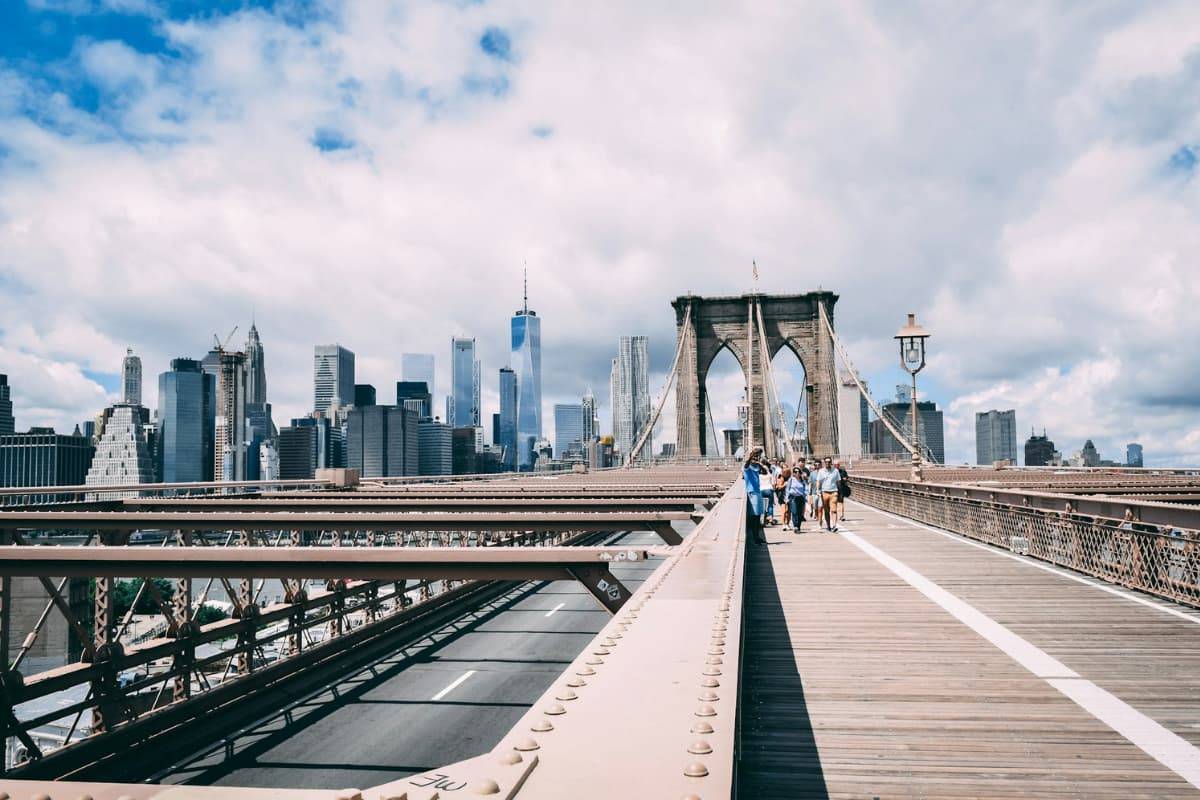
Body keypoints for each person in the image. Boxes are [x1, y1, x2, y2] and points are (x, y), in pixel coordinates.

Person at [743, 449, 767, 544]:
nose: (755, 459)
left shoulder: (756, 467)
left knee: (758, 516)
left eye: (756, 457)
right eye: (754, 458)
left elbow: (765, 472)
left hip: (758, 492)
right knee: (754, 516)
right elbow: (746, 465)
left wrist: (759, 463)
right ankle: (755, 538)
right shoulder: (747, 467)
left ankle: (757, 536)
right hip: (752, 492)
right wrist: (750, 457)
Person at [814, 456, 841, 532]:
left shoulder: (835, 471)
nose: (828, 463)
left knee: (834, 510)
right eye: (826, 462)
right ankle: (828, 525)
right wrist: (817, 490)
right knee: (826, 511)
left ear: (831, 463)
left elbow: (838, 482)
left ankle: (834, 525)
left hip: (833, 492)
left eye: (829, 462)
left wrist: (839, 491)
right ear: (824, 463)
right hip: (824, 492)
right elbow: (818, 481)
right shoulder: (821, 471)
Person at [784, 466, 808, 533]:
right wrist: (786, 498)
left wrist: (805, 496)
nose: (797, 473)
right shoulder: (791, 480)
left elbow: (806, 488)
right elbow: (787, 489)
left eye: (798, 472)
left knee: (800, 513)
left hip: (800, 497)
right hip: (793, 497)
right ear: (793, 473)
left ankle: (798, 526)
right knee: (794, 512)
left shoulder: (802, 480)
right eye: (795, 472)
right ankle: (795, 526)